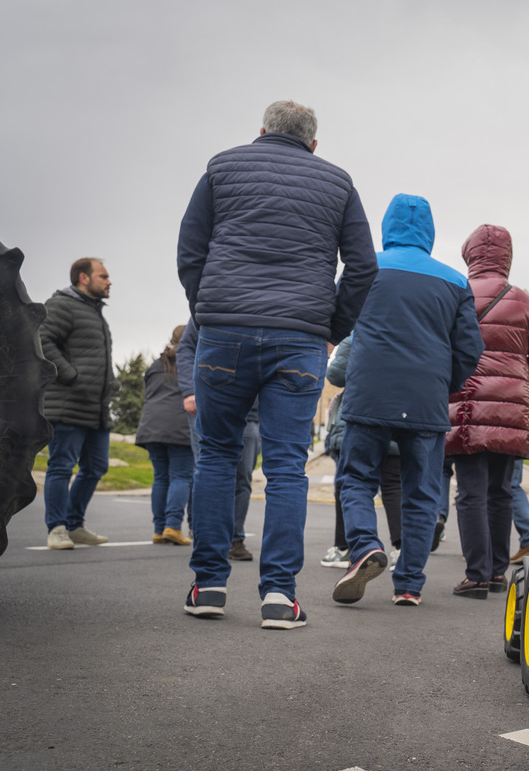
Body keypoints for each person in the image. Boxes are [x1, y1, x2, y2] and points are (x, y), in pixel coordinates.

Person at [177, 100, 378, 629]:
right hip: (300, 340)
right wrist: (330, 327)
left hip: (224, 335)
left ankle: (209, 586)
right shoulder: (337, 183)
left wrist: (211, 307)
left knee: (217, 456)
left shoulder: (222, 167)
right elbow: (363, 266)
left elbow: (190, 249)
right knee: (286, 467)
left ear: (261, 130)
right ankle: (278, 597)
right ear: (314, 145)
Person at [331, 194, 483, 608]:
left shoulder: (366, 266)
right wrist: (442, 382)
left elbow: (338, 320)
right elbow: (470, 348)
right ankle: (409, 584)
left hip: (369, 393)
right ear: (429, 233)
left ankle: (363, 546)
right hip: (425, 401)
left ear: (387, 226)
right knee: (421, 492)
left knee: (357, 479)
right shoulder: (454, 281)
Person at [446, 223, 529, 599]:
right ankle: (495, 573)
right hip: (510, 415)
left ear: (470, 254)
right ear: (507, 258)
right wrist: (517, 387)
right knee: (502, 492)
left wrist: (454, 385)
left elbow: (446, 348)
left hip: (469, 409)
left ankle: (476, 575)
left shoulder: (457, 293)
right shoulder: (524, 301)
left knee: (471, 492)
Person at [39, 257, 114, 549]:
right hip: (67, 403)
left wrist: (111, 384)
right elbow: (42, 340)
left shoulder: (95, 312)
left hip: (96, 408)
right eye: (104, 276)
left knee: (96, 467)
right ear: (84, 278)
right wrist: (71, 376)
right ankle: (57, 529)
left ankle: (74, 524)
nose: (109, 281)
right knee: (61, 467)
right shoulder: (62, 305)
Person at [322, 334, 406, 571]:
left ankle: (348, 548)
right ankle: (401, 549)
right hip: (399, 414)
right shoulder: (410, 331)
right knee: (393, 485)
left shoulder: (358, 333)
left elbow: (335, 375)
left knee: (351, 483)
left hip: (361, 415)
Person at [176, 319, 258, 561]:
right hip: (208, 403)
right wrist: (189, 391)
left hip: (250, 412)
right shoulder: (211, 301)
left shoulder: (266, 307)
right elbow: (185, 349)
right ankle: (207, 537)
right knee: (209, 471)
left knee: (242, 477)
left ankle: (235, 539)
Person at [135, 326, 194, 546]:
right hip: (179, 426)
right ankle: (173, 526)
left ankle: (159, 529)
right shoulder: (190, 362)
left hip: (151, 426)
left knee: (161, 477)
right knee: (181, 476)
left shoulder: (155, 365)